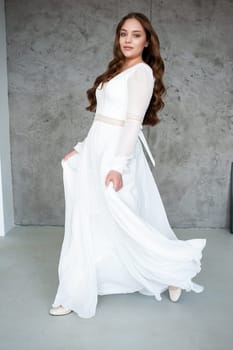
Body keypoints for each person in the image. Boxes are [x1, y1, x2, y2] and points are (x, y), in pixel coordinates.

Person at [49, 12, 207, 318]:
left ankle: (171, 271)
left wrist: (118, 166)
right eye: (123, 33)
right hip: (98, 148)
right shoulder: (117, 70)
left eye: (136, 35)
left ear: (147, 41)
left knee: (125, 219)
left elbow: (132, 122)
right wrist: (81, 150)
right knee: (89, 217)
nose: (128, 40)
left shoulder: (142, 73)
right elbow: (103, 118)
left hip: (117, 153)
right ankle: (78, 287)